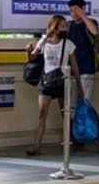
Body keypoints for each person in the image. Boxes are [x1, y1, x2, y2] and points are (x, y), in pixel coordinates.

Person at [26, 14, 78, 156]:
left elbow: (74, 65)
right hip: (47, 82)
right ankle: (36, 146)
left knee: (65, 115)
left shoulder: (68, 44)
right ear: (54, 27)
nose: (65, 28)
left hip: (62, 81)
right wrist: (30, 50)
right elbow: (33, 57)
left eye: (65, 26)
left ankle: (72, 141)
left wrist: (78, 84)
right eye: (62, 25)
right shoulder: (44, 42)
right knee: (42, 114)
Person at [66, 0, 99, 103]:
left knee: (85, 101)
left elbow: (94, 32)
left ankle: (84, 119)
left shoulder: (91, 22)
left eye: (75, 9)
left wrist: (82, 15)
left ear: (83, 8)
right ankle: (74, 120)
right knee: (71, 103)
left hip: (86, 68)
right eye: (71, 10)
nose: (73, 13)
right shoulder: (69, 25)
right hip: (72, 70)